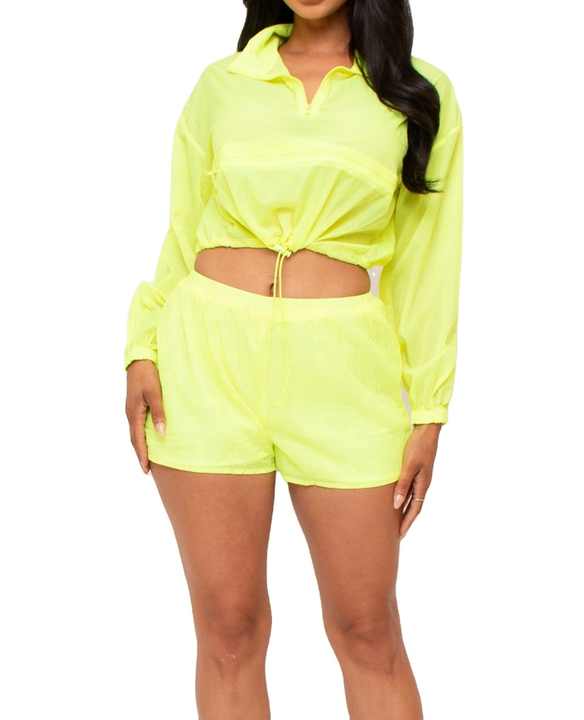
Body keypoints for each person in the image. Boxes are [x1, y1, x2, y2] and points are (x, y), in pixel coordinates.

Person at [124, 1, 463, 717]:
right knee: (228, 632)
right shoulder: (224, 84)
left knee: (367, 631)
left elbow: (428, 265)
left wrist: (430, 408)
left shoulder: (416, 94)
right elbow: (182, 231)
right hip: (206, 362)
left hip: (343, 373)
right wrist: (141, 348)